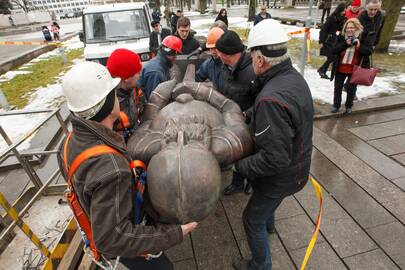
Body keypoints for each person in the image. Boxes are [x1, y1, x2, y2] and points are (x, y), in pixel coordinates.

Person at [58, 61, 198, 270]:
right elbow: (112, 237)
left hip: (101, 217)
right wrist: (173, 233)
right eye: (113, 94)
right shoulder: (111, 169)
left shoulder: (67, 143)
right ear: (106, 104)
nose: (117, 98)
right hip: (126, 247)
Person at [232, 19, 314, 270]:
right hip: (298, 168)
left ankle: (260, 265)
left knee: (251, 219)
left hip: (282, 175)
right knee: (267, 203)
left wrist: (239, 166)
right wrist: (250, 115)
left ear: (259, 59)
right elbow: (287, 120)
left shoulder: (271, 97)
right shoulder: (292, 78)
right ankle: (270, 226)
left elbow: (274, 159)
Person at [215, 30, 256, 196]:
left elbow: (263, 102)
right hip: (231, 123)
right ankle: (237, 183)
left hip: (249, 124)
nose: (217, 55)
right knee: (236, 155)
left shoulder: (252, 71)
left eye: (219, 52)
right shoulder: (226, 67)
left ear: (228, 54)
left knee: (250, 154)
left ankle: (252, 182)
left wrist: (246, 114)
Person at [330, 18, 372, 114]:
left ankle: (349, 106)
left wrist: (358, 46)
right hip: (340, 67)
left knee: (351, 88)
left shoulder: (363, 37)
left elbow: (368, 51)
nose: (349, 29)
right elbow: (334, 50)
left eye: (352, 27)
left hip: (354, 69)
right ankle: (336, 105)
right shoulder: (341, 37)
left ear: (357, 28)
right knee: (338, 88)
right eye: (348, 27)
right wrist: (345, 44)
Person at [106, 49, 146, 141]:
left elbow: (143, 107)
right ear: (127, 78)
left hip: (138, 133)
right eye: (138, 72)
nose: (140, 75)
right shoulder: (108, 107)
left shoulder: (135, 88)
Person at [138, 35, 182, 100]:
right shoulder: (156, 73)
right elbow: (153, 100)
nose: (175, 58)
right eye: (175, 55)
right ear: (170, 52)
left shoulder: (163, 64)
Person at [318, 3, 346, 80]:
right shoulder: (331, 18)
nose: (345, 11)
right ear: (341, 10)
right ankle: (322, 70)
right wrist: (321, 41)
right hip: (327, 39)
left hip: (333, 39)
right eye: (344, 9)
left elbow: (339, 28)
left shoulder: (341, 18)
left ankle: (322, 70)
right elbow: (323, 30)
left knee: (332, 56)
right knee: (332, 56)